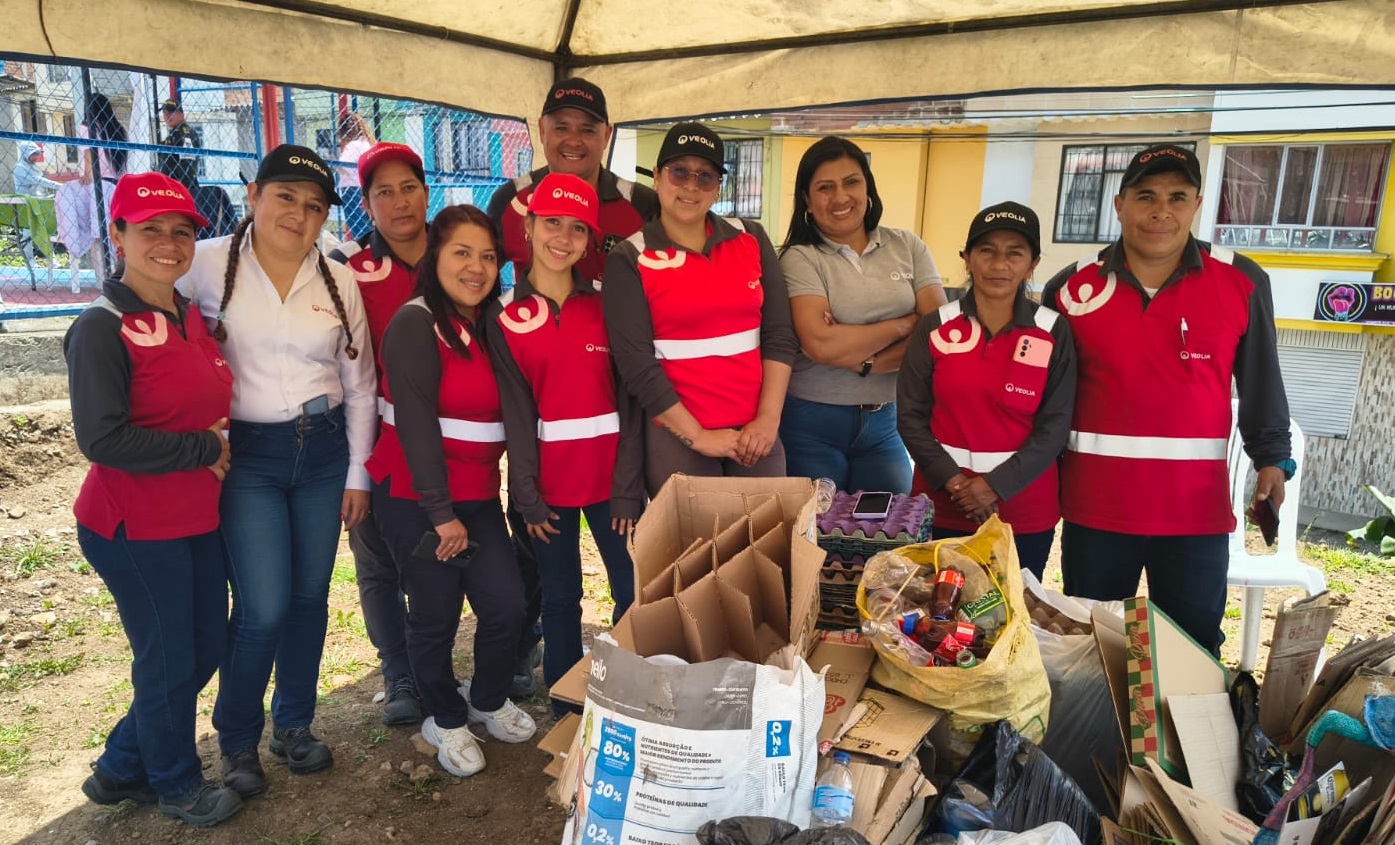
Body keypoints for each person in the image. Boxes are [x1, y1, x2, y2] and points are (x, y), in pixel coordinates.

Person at [178, 144, 377, 797]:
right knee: (261, 605)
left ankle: (292, 723)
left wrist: (357, 472)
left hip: (322, 453)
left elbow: (361, 382)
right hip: (249, 457)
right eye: (285, 195)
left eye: (314, 204)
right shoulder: (205, 264)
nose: (298, 212)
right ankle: (236, 736)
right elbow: (153, 329)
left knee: (307, 599)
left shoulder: (337, 276)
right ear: (254, 193)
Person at [1041, 144, 1292, 654]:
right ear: (1119, 204)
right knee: (1092, 649)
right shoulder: (1070, 289)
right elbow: (1042, 401)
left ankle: (1187, 739)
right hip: (1095, 511)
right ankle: (1100, 739)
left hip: (1193, 514)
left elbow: (1262, 379)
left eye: (1177, 196)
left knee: (1193, 650)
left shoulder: (1241, 281)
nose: (1162, 210)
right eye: (1146, 196)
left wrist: (1272, 460)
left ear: (1197, 204)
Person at [65, 172, 242, 827]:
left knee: (202, 648)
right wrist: (202, 449)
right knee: (169, 656)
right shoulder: (100, 326)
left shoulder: (188, 314)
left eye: (182, 230)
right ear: (117, 234)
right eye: (150, 229)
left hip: (194, 516)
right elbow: (102, 439)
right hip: (133, 525)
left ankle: (120, 767)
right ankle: (176, 782)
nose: (168, 243)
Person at [485, 77, 657, 697]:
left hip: (612, 486)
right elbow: (515, 411)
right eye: (550, 224)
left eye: (576, 228)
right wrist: (526, 492)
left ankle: (629, 693)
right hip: (547, 493)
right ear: (525, 231)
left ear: (591, 240)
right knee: (559, 597)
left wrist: (628, 486)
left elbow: (630, 405)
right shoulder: (504, 319)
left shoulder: (606, 309)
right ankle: (563, 694)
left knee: (631, 591)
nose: (563, 237)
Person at [366, 205, 536, 779]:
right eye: (462, 252)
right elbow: (414, 423)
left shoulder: (492, 322)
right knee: (434, 614)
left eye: (488, 256)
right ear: (435, 255)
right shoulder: (415, 323)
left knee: (506, 604)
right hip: (417, 499)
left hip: (477, 496)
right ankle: (444, 717)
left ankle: (485, 700)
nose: (477, 267)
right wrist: (440, 515)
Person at [605, 122, 798, 494]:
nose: (691, 186)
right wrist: (697, 436)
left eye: (705, 177)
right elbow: (636, 365)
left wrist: (767, 421)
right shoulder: (630, 257)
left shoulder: (751, 238)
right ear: (658, 177)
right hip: (679, 436)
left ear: (718, 188)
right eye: (679, 172)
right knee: (695, 550)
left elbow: (779, 335)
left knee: (766, 546)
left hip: (755, 431)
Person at [897, 202, 1076, 579]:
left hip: (1022, 512)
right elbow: (910, 416)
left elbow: (1056, 426)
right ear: (967, 259)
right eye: (987, 251)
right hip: (941, 504)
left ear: (1032, 264)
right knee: (935, 617)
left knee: (1011, 615)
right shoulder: (936, 327)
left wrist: (994, 486)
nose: (999, 264)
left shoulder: (1052, 330)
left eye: (1015, 253)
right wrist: (957, 484)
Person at [779, 137, 947, 494]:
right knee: (816, 540)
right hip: (810, 424)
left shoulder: (908, 246)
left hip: (885, 422)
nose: (841, 197)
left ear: (868, 188)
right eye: (825, 187)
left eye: (851, 182)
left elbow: (937, 334)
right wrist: (905, 324)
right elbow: (821, 343)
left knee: (889, 535)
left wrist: (866, 361)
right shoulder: (800, 258)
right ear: (807, 200)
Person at [327, 141, 430, 726]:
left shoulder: (456, 253)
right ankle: (397, 670)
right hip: (372, 438)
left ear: (425, 191)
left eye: (408, 187)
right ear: (366, 202)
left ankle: (431, 659)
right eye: (382, 192)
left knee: (440, 553)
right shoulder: (346, 266)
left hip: (449, 442)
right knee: (376, 558)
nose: (398, 202)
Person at [486, 77, 659, 287]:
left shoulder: (643, 204)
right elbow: (481, 279)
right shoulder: (510, 200)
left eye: (588, 130)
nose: (574, 141)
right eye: (561, 128)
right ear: (541, 129)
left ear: (606, 135)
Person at [76, 92, 130, 286]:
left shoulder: (87, 127)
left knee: (99, 236)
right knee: (120, 233)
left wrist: (86, 176)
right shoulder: (117, 129)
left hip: (99, 185)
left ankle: (103, 281)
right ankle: (122, 276)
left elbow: (89, 154)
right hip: (118, 185)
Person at [336, 112, 375, 240]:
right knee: (368, 224)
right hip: (365, 186)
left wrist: (332, 162)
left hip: (351, 189)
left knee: (357, 226)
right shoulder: (367, 144)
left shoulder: (352, 146)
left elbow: (344, 167)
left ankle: (366, 250)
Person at [157, 99, 201, 191]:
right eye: (165, 112)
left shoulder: (185, 133)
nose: (167, 115)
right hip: (170, 187)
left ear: (181, 115)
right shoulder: (173, 134)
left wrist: (182, 190)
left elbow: (187, 165)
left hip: (179, 189)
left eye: (171, 111)